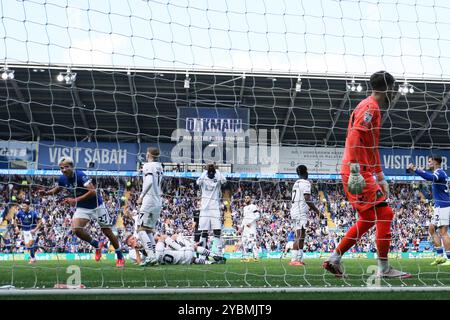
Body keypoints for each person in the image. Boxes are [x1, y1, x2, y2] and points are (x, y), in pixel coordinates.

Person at [323, 71, 411, 278]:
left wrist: (380, 176)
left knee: (369, 218)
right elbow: (355, 136)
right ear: (388, 88)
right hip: (356, 171)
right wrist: (356, 171)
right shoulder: (370, 107)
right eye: (394, 89)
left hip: (360, 170)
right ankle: (384, 269)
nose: (395, 93)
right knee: (385, 214)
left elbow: (371, 146)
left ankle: (334, 259)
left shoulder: (370, 106)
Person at [40, 156, 125, 267]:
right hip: (83, 208)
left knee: (107, 232)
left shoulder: (80, 175)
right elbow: (58, 188)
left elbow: (93, 191)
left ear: (72, 167)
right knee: (76, 229)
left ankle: (119, 256)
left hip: (97, 206)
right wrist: (46, 193)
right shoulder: (62, 179)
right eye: (61, 168)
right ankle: (96, 245)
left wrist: (75, 200)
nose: (64, 170)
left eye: (66, 167)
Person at [408, 156, 450, 266]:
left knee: (443, 232)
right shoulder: (440, 173)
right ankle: (440, 256)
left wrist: (416, 169)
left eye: (430, 162)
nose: (428, 163)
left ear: (435, 162)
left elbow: (429, 177)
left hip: (443, 206)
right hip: (439, 206)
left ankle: (449, 259)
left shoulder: (439, 173)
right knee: (431, 228)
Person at [289, 165, 322, 266]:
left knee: (302, 235)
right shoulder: (305, 182)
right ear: (306, 172)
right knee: (299, 235)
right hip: (299, 211)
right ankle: (294, 259)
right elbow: (307, 198)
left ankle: (299, 259)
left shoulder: (296, 183)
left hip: (295, 210)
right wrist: (318, 212)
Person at [136, 147, 164, 266]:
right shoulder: (160, 166)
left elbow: (149, 181)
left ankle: (151, 256)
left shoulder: (148, 165)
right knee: (148, 231)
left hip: (149, 200)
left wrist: (141, 196)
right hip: (158, 201)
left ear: (149, 154)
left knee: (140, 229)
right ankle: (153, 258)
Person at [125, 233, 226, 265]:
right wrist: (137, 250)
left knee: (192, 259)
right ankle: (215, 256)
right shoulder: (132, 253)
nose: (135, 239)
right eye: (132, 239)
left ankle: (211, 263)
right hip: (161, 255)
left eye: (134, 237)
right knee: (193, 247)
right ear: (129, 244)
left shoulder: (145, 245)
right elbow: (139, 263)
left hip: (168, 259)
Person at [196, 164, 227, 256]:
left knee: (217, 230)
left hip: (214, 207)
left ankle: (217, 253)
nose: (210, 174)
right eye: (209, 173)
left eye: (212, 173)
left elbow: (224, 180)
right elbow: (198, 182)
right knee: (204, 231)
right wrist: (205, 171)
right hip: (204, 208)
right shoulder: (203, 178)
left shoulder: (217, 177)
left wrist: (217, 171)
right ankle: (203, 254)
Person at [14, 199, 42, 263]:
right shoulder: (20, 212)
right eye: (23, 206)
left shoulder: (33, 213)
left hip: (32, 230)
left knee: (31, 244)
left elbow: (40, 222)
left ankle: (32, 258)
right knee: (28, 246)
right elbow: (15, 220)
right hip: (24, 231)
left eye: (25, 206)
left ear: (28, 206)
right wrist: (16, 227)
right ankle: (33, 257)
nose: (23, 207)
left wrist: (35, 229)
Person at [239, 194, 260, 262]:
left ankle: (256, 257)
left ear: (250, 199)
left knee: (252, 241)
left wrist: (250, 222)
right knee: (244, 242)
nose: (246, 199)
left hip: (251, 227)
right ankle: (245, 257)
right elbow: (244, 218)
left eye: (247, 198)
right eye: (245, 198)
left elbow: (257, 216)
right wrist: (241, 227)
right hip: (245, 228)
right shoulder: (244, 208)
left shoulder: (253, 206)